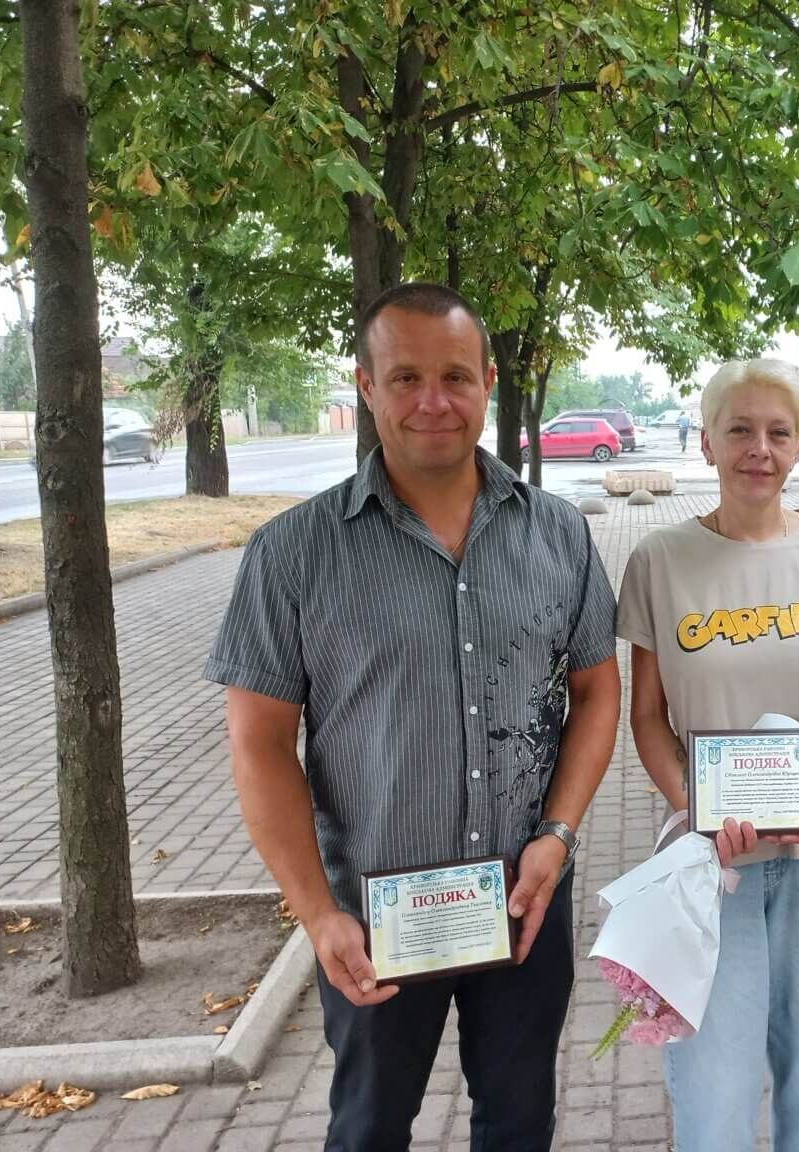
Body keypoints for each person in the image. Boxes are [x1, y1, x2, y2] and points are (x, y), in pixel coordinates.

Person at [205, 282, 620, 1152]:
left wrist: (558, 834)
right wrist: (317, 914)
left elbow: (596, 691)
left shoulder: (559, 534)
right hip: (373, 917)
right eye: (405, 379)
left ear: (488, 383)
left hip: (524, 897)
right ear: (366, 387)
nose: (433, 401)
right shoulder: (293, 553)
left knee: (520, 1125)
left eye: (455, 376)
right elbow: (260, 746)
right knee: (368, 1129)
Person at [617, 358, 799, 1151]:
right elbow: (647, 717)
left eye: (779, 432)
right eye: (739, 429)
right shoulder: (660, 561)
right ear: (706, 442)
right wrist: (698, 811)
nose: (759, 449)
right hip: (710, 862)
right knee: (716, 1079)